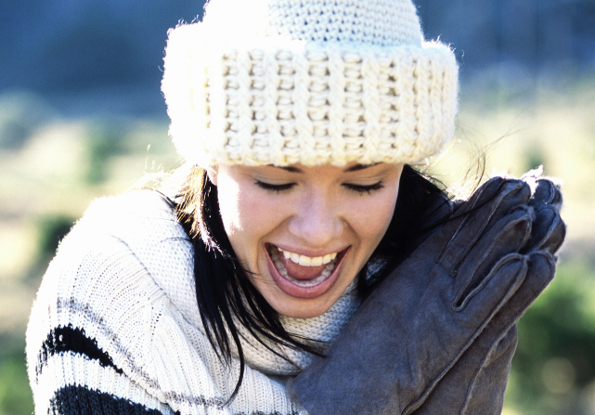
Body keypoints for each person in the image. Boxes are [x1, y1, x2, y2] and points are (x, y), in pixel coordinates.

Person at [26, 0, 565, 414]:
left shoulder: (441, 285)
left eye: (365, 183)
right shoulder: (112, 293)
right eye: (276, 181)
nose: (316, 232)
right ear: (211, 156)